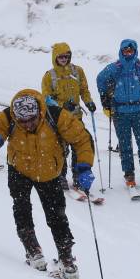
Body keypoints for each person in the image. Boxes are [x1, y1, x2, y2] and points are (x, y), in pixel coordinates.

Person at [0, 90, 95, 279]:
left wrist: (84, 165)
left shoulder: (55, 115)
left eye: (31, 120)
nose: (27, 125)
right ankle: (32, 248)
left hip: (49, 172)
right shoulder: (9, 116)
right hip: (19, 169)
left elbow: (82, 138)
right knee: (21, 207)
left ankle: (66, 257)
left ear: (38, 112)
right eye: (22, 122)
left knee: (57, 216)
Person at [95, 39, 140, 189]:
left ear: (135, 51)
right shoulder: (115, 67)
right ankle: (129, 173)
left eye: (130, 51)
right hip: (120, 112)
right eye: (125, 51)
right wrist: (104, 97)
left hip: (138, 111)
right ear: (121, 51)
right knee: (125, 145)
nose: (128, 53)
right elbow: (100, 79)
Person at [41, 42, 96, 190]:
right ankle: (60, 175)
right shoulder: (49, 76)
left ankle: (78, 175)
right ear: (55, 58)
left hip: (76, 118)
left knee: (80, 145)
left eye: (66, 56)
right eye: (61, 57)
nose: (64, 59)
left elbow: (84, 90)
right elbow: (46, 98)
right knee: (60, 148)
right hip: (58, 119)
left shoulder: (78, 71)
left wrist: (89, 102)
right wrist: (62, 106)